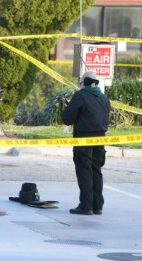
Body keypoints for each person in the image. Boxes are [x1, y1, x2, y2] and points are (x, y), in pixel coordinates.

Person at [61, 70, 111, 215]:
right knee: (96, 171)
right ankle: (97, 206)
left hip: (83, 139)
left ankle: (86, 206)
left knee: (84, 171)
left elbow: (67, 119)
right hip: (100, 139)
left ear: (83, 83)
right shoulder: (103, 98)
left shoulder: (80, 96)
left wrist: (67, 107)